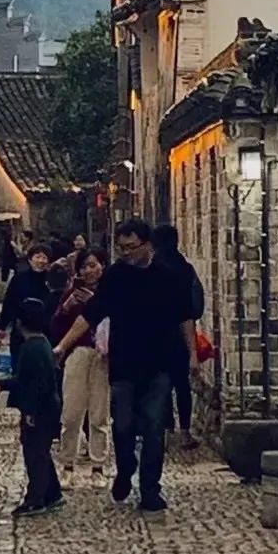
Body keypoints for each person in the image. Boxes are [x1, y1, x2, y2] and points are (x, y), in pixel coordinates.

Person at [52, 218, 197, 512]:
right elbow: (91, 314)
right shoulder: (116, 276)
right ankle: (126, 467)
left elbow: (185, 317)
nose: (126, 253)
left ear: (147, 245)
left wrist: (192, 354)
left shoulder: (169, 276)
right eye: (121, 248)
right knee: (123, 425)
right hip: (124, 363)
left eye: (131, 247)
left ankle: (150, 489)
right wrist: (63, 346)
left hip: (160, 363)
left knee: (155, 426)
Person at [0, 297, 64, 517]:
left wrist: (30, 411)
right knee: (41, 451)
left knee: (35, 454)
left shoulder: (31, 349)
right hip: (49, 407)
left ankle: (36, 498)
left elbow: (34, 384)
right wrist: (3, 384)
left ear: (19, 323)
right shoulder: (42, 344)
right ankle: (52, 492)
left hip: (40, 410)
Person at [50, 248, 110, 487]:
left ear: (102, 265)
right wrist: (66, 308)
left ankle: (98, 467)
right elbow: (55, 327)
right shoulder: (71, 293)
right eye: (84, 267)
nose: (89, 271)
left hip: (103, 355)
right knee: (71, 413)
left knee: (99, 414)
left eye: (93, 265)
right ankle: (67, 465)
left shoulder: (110, 292)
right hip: (77, 353)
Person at [152, 224, 204, 451]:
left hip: (154, 337)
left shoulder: (151, 269)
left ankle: (163, 429)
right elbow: (195, 307)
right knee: (182, 385)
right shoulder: (185, 269)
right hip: (179, 337)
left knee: (159, 385)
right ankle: (184, 432)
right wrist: (193, 352)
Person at [0, 243, 54, 371]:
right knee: (19, 364)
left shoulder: (51, 280)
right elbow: (9, 302)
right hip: (21, 329)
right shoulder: (19, 278)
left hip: (44, 330)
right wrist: (2, 326)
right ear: (30, 260)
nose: (41, 261)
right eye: (38, 257)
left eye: (44, 258)